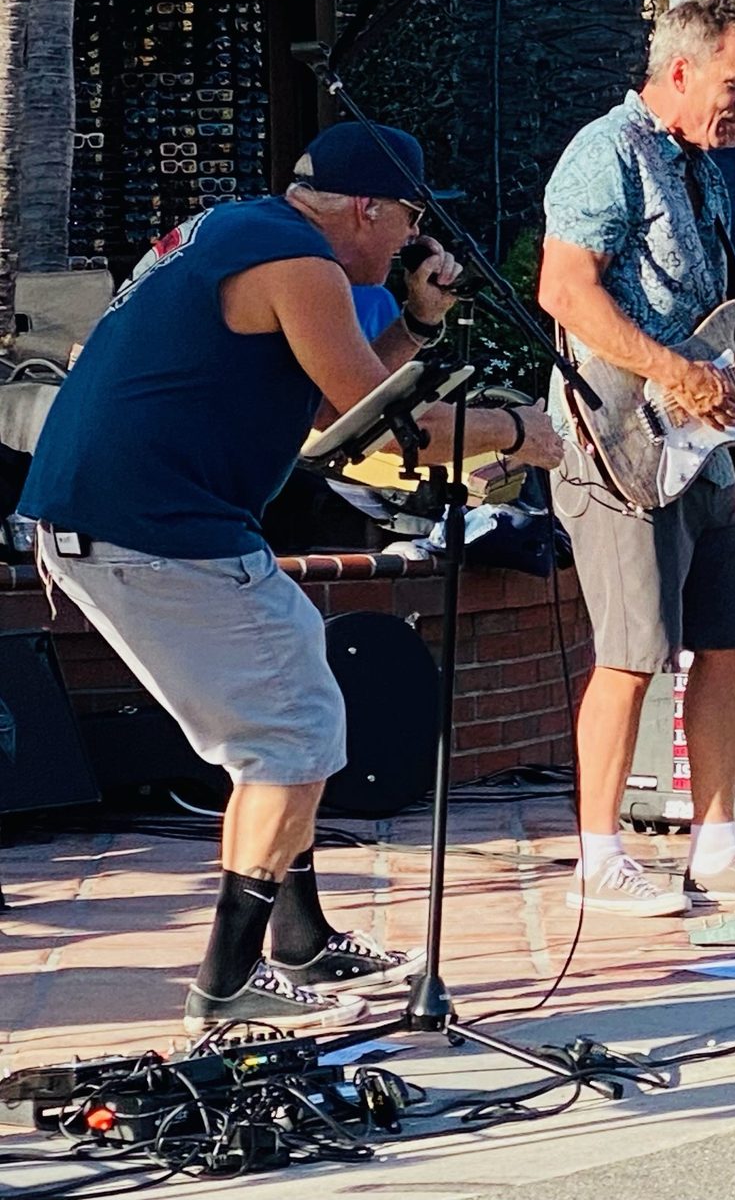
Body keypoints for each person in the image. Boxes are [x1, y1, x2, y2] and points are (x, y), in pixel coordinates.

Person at [21, 122, 564, 1032]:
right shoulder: (298, 263)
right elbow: (386, 430)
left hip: (125, 519)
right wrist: (517, 431)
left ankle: (301, 937)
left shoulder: (249, 232)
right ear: (368, 209)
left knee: (293, 685)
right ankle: (227, 982)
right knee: (291, 736)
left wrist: (416, 320)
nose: (413, 238)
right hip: (150, 530)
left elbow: (330, 412)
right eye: (410, 219)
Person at [538, 0, 735, 918]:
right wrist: (673, 371)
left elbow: (714, 331)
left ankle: (715, 846)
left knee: (730, 640)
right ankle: (599, 859)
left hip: (702, 450)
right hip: (618, 441)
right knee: (631, 655)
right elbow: (565, 290)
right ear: (680, 71)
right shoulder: (607, 152)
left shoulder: (704, 170)